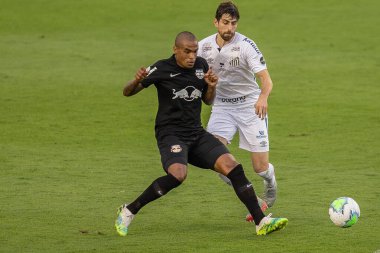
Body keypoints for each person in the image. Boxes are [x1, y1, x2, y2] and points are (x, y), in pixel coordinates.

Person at [115, 31, 288, 237]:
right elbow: (127, 92)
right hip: (171, 135)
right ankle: (128, 210)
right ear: (175, 50)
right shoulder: (161, 68)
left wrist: (212, 86)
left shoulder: (201, 66)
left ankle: (261, 222)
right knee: (178, 175)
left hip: (196, 133)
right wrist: (136, 81)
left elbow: (207, 100)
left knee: (232, 167)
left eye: (195, 51)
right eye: (187, 52)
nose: (191, 56)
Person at [197, 2, 278, 220]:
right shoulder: (203, 47)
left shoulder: (246, 46)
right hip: (222, 106)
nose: (229, 28)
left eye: (233, 23)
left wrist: (262, 97)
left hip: (250, 106)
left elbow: (266, 79)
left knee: (260, 168)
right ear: (215, 22)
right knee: (217, 161)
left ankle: (270, 181)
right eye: (225, 23)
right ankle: (255, 201)